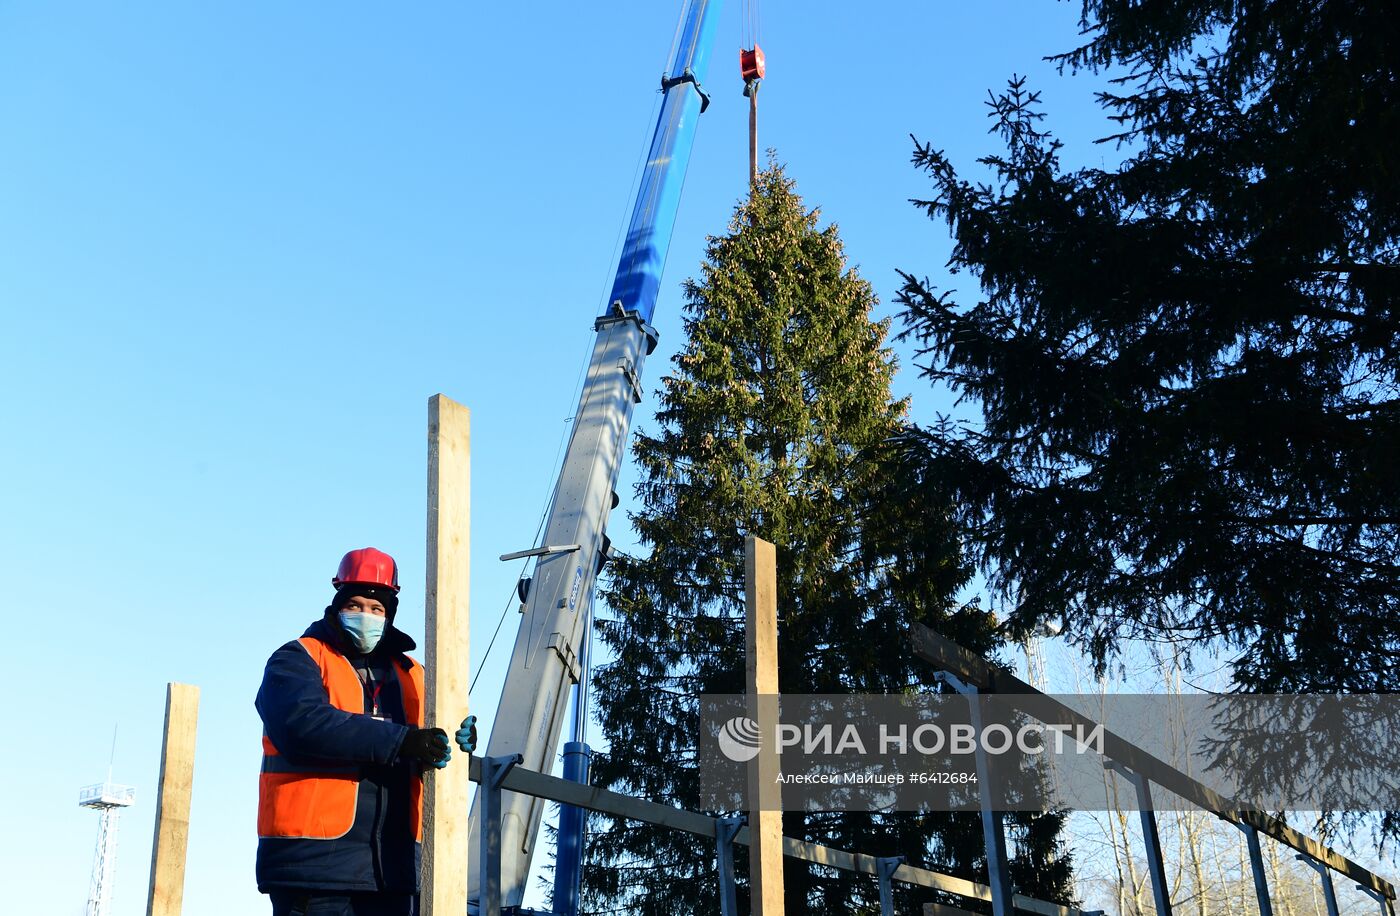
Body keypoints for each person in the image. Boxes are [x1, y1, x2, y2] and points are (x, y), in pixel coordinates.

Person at [255, 547, 478, 916]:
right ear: (337, 605)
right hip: (313, 868)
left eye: (377, 609)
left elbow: (433, 743)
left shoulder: (415, 674)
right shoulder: (298, 658)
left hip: (396, 871)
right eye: (355, 605)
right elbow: (302, 725)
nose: (366, 615)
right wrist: (403, 740)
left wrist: (457, 737)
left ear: (389, 615)